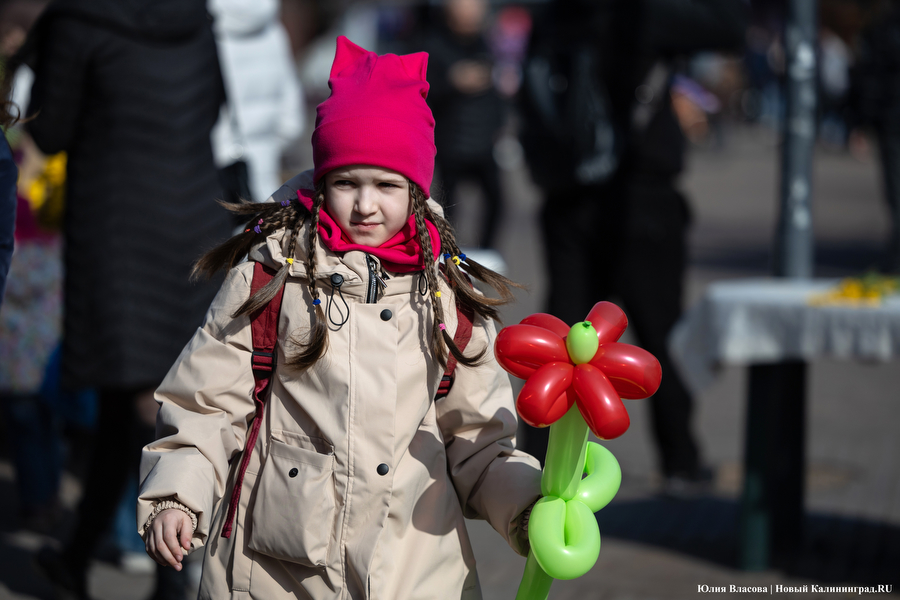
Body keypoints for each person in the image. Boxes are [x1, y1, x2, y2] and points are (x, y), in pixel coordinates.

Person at [137, 36, 542, 600]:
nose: (365, 204)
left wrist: (528, 506)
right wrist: (177, 495)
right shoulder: (273, 275)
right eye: (346, 182)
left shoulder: (446, 294)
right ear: (322, 180)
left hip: (415, 570)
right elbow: (208, 401)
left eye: (387, 185)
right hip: (279, 570)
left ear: (416, 189)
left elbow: (478, 441)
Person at [16, 0, 232, 597]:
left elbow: (50, 129)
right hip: (191, 217)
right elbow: (215, 106)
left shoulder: (78, 19)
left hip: (116, 220)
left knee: (141, 397)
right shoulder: (191, 14)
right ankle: (81, 554)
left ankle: (170, 576)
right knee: (144, 392)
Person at [519, 0, 747, 495]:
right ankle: (680, 461)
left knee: (564, 340)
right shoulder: (641, 14)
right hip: (640, 198)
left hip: (567, 196)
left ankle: (534, 461)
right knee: (662, 332)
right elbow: (732, 26)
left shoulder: (554, 15)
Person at [414, 0, 506, 250]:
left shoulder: (485, 45)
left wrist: (499, 126)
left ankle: (486, 253)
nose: (472, 18)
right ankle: (448, 252)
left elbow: (496, 94)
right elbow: (421, 91)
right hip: (451, 141)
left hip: (484, 140)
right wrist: (451, 81)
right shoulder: (433, 44)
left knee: (496, 201)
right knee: (448, 205)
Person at [208, 0, 304, 205]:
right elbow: (292, 122)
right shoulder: (273, 30)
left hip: (213, 174)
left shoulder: (199, 34)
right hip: (266, 179)